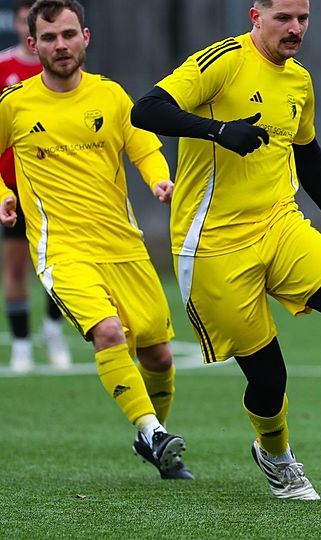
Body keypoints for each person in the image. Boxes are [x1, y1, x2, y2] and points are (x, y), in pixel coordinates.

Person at [130, 0, 321, 500]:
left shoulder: (299, 80)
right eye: (283, 18)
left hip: (280, 224)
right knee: (270, 379)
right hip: (213, 245)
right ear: (256, 16)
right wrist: (219, 131)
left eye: (302, 19)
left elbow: (306, 152)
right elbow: (145, 109)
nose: (295, 29)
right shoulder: (222, 61)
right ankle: (275, 456)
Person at [0, 0, 191, 479]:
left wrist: (159, 180)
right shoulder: (15, 104)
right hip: (62, 251)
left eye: (68, 34)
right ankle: (151, 430)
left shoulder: (111, 95)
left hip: (124, 247)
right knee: (108, 332)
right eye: (49, 38)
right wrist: (4, 195)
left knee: (158, 355)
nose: (60, 45)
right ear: (33, 45)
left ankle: (151, 435)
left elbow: (143, 148)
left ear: (85, 37)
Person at [0, 0, 71, 374]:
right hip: (13, 188)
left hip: (55, 185)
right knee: (15, 266)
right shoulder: (3, 67)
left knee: (61, 263)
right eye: (21, 18)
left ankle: (53, 331)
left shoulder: (62, 71)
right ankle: (22, 345)